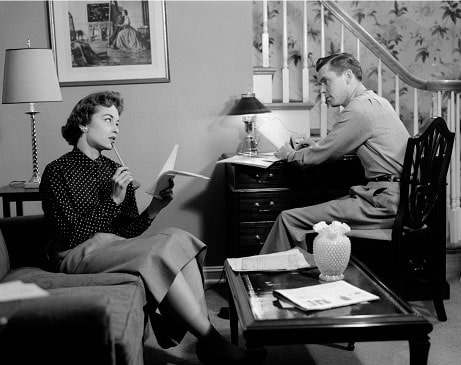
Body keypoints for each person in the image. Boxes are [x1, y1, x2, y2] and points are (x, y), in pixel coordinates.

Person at [40, 91, 259, 365]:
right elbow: (71, 235)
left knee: (180, 238)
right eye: (108, 120)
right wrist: (113, 201)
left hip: (111, 246)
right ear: (83, 124)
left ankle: (206, 340)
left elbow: (128, 233)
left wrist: (155, 208)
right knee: (156, 251)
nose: (115, 129)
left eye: (118, 123)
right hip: (73, 254)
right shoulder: (57, 171)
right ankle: (211, 341)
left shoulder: (115, 169)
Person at [260, 53, 410, 255]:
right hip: (399, 199)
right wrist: (316, 146)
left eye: (326, 81)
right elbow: (337, 146)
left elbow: (319, 157)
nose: (322, 90)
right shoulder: (377, 101)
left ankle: (268, 280)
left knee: (289, 218)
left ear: (347, 76)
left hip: (384, 204)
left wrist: (288, 153)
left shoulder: (358, 109)